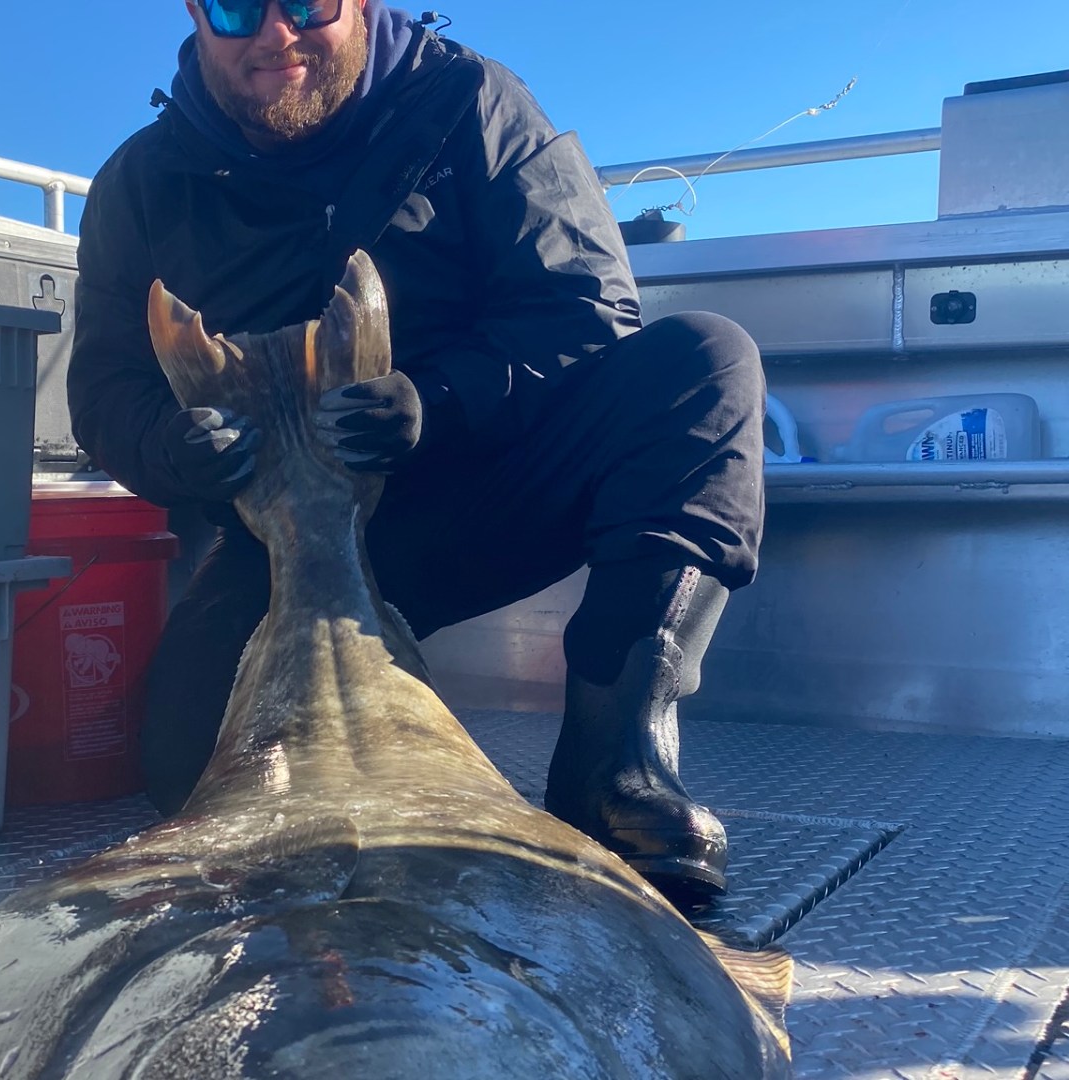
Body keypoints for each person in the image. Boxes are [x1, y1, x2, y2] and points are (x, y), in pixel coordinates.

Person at [67, 0, 765, 910]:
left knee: (704, 363)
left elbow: (584, 310)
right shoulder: (140, 182)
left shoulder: (469, 101)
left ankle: (615, 757)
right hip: (278, 541)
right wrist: (171, 447)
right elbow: (107, 388)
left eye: (308, 3)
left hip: (466, 494)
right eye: (236, 8)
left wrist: (437, 401)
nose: (274, 36)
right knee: (189, 770)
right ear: (198, 15)